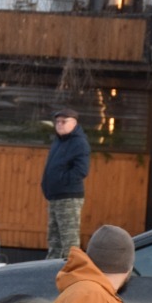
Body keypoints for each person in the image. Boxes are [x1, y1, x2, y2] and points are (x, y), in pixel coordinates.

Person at [42, 108, 90, 260]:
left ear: (74, 123)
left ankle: (71, 267)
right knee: (54, 239)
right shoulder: (58, 141)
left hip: (69, 197)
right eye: (57, 121)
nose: (59, 124)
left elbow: (81, 171)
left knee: (69, 239)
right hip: (55, 196)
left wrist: (61, 181)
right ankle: (51, 268)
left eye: (64, 121)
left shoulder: (79, 143)